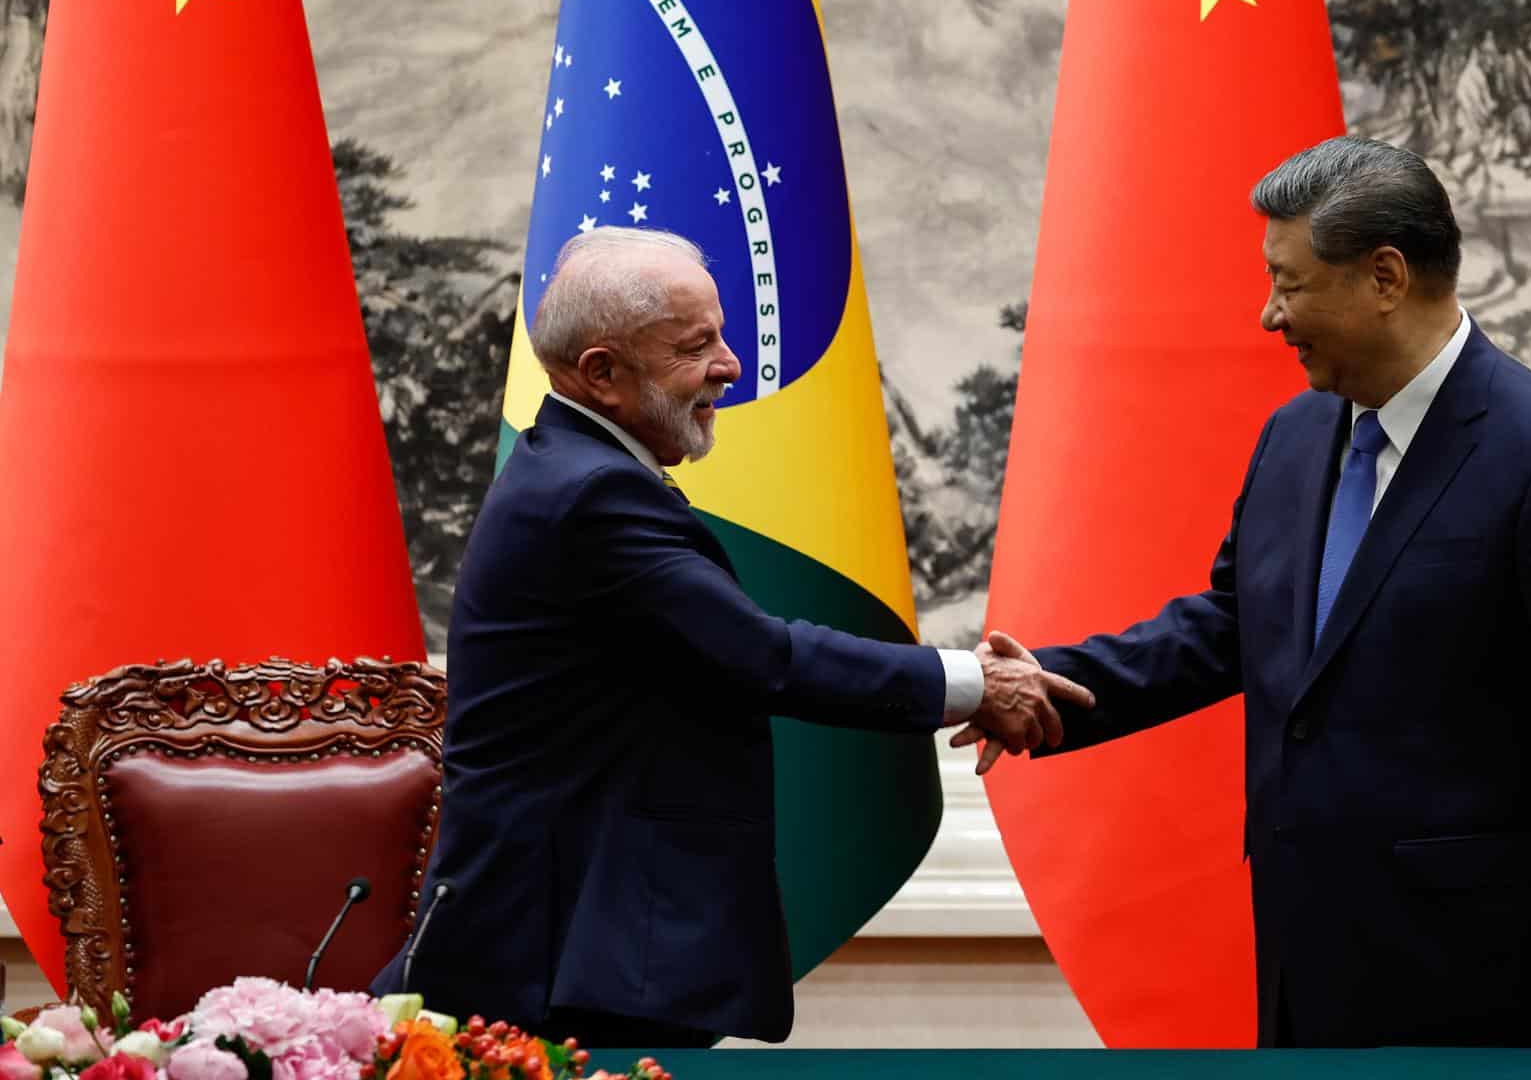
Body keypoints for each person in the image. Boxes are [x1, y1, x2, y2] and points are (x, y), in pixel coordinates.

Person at [961, 136, 1531, 1049]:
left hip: (1480, 964)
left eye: (1289, 285)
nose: (1269, 315)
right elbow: (1230, 627)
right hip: (1308, 943)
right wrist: (1042, 688)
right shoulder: (1297, 435)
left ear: (1385, 276)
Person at [373, 228, 1091, 1046]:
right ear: (601, 373)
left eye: (721, 333)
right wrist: (973, 684)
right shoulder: (592, 495)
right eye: (695, 345)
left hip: (575, 937)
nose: (731, 364)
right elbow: (762, 655)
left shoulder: (568, 469)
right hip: (565, 952)